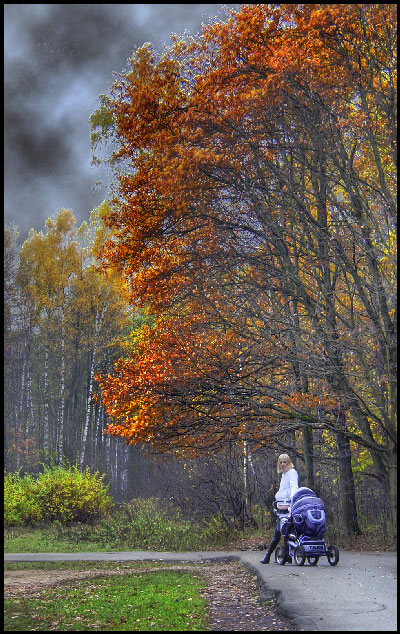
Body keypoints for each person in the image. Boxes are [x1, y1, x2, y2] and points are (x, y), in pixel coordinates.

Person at [260, 453, 299, 564]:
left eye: (284, 462)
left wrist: (292, 502)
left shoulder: (292, 473)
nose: (282, 464)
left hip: (287, 509)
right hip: (282, 508)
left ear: (289, 462)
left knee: (278, 533)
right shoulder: (284, 475)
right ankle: (287, 556)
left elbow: (294, 487)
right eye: (280, 462)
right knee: (285, 533)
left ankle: (267, 556)